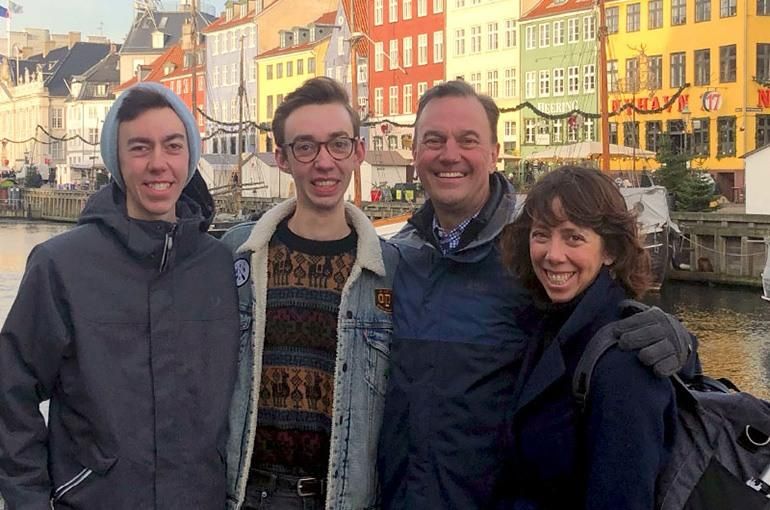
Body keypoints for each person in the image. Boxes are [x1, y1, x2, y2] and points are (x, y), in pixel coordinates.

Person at [377, 81, 695, 509]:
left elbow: (603, 339)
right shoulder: (391, 259)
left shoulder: (527, 265)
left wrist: (680, 344)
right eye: (434, 140)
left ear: (494, 154)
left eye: (468, 140)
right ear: (414, 153)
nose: (449, 154)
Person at [0, 82, 240, 508]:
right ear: (117, 160)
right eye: (140, 148)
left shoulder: (221, 267)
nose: (158, 164)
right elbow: (11, 391)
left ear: (190, 155)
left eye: (172, 145)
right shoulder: (62, 265)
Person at [221, 77, 398, 510]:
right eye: (306, 147)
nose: (324, 162)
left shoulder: (389, 271)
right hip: (250, 496)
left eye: (338, 144)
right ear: (282, 158)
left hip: (344, 498)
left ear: (358, 152)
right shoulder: (239, 257)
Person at [498, 165, 685, 509]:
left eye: (574, 237)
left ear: (610, 250)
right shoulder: (547, 323)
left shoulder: (623, 361)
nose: (553, 254)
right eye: (541, 234)